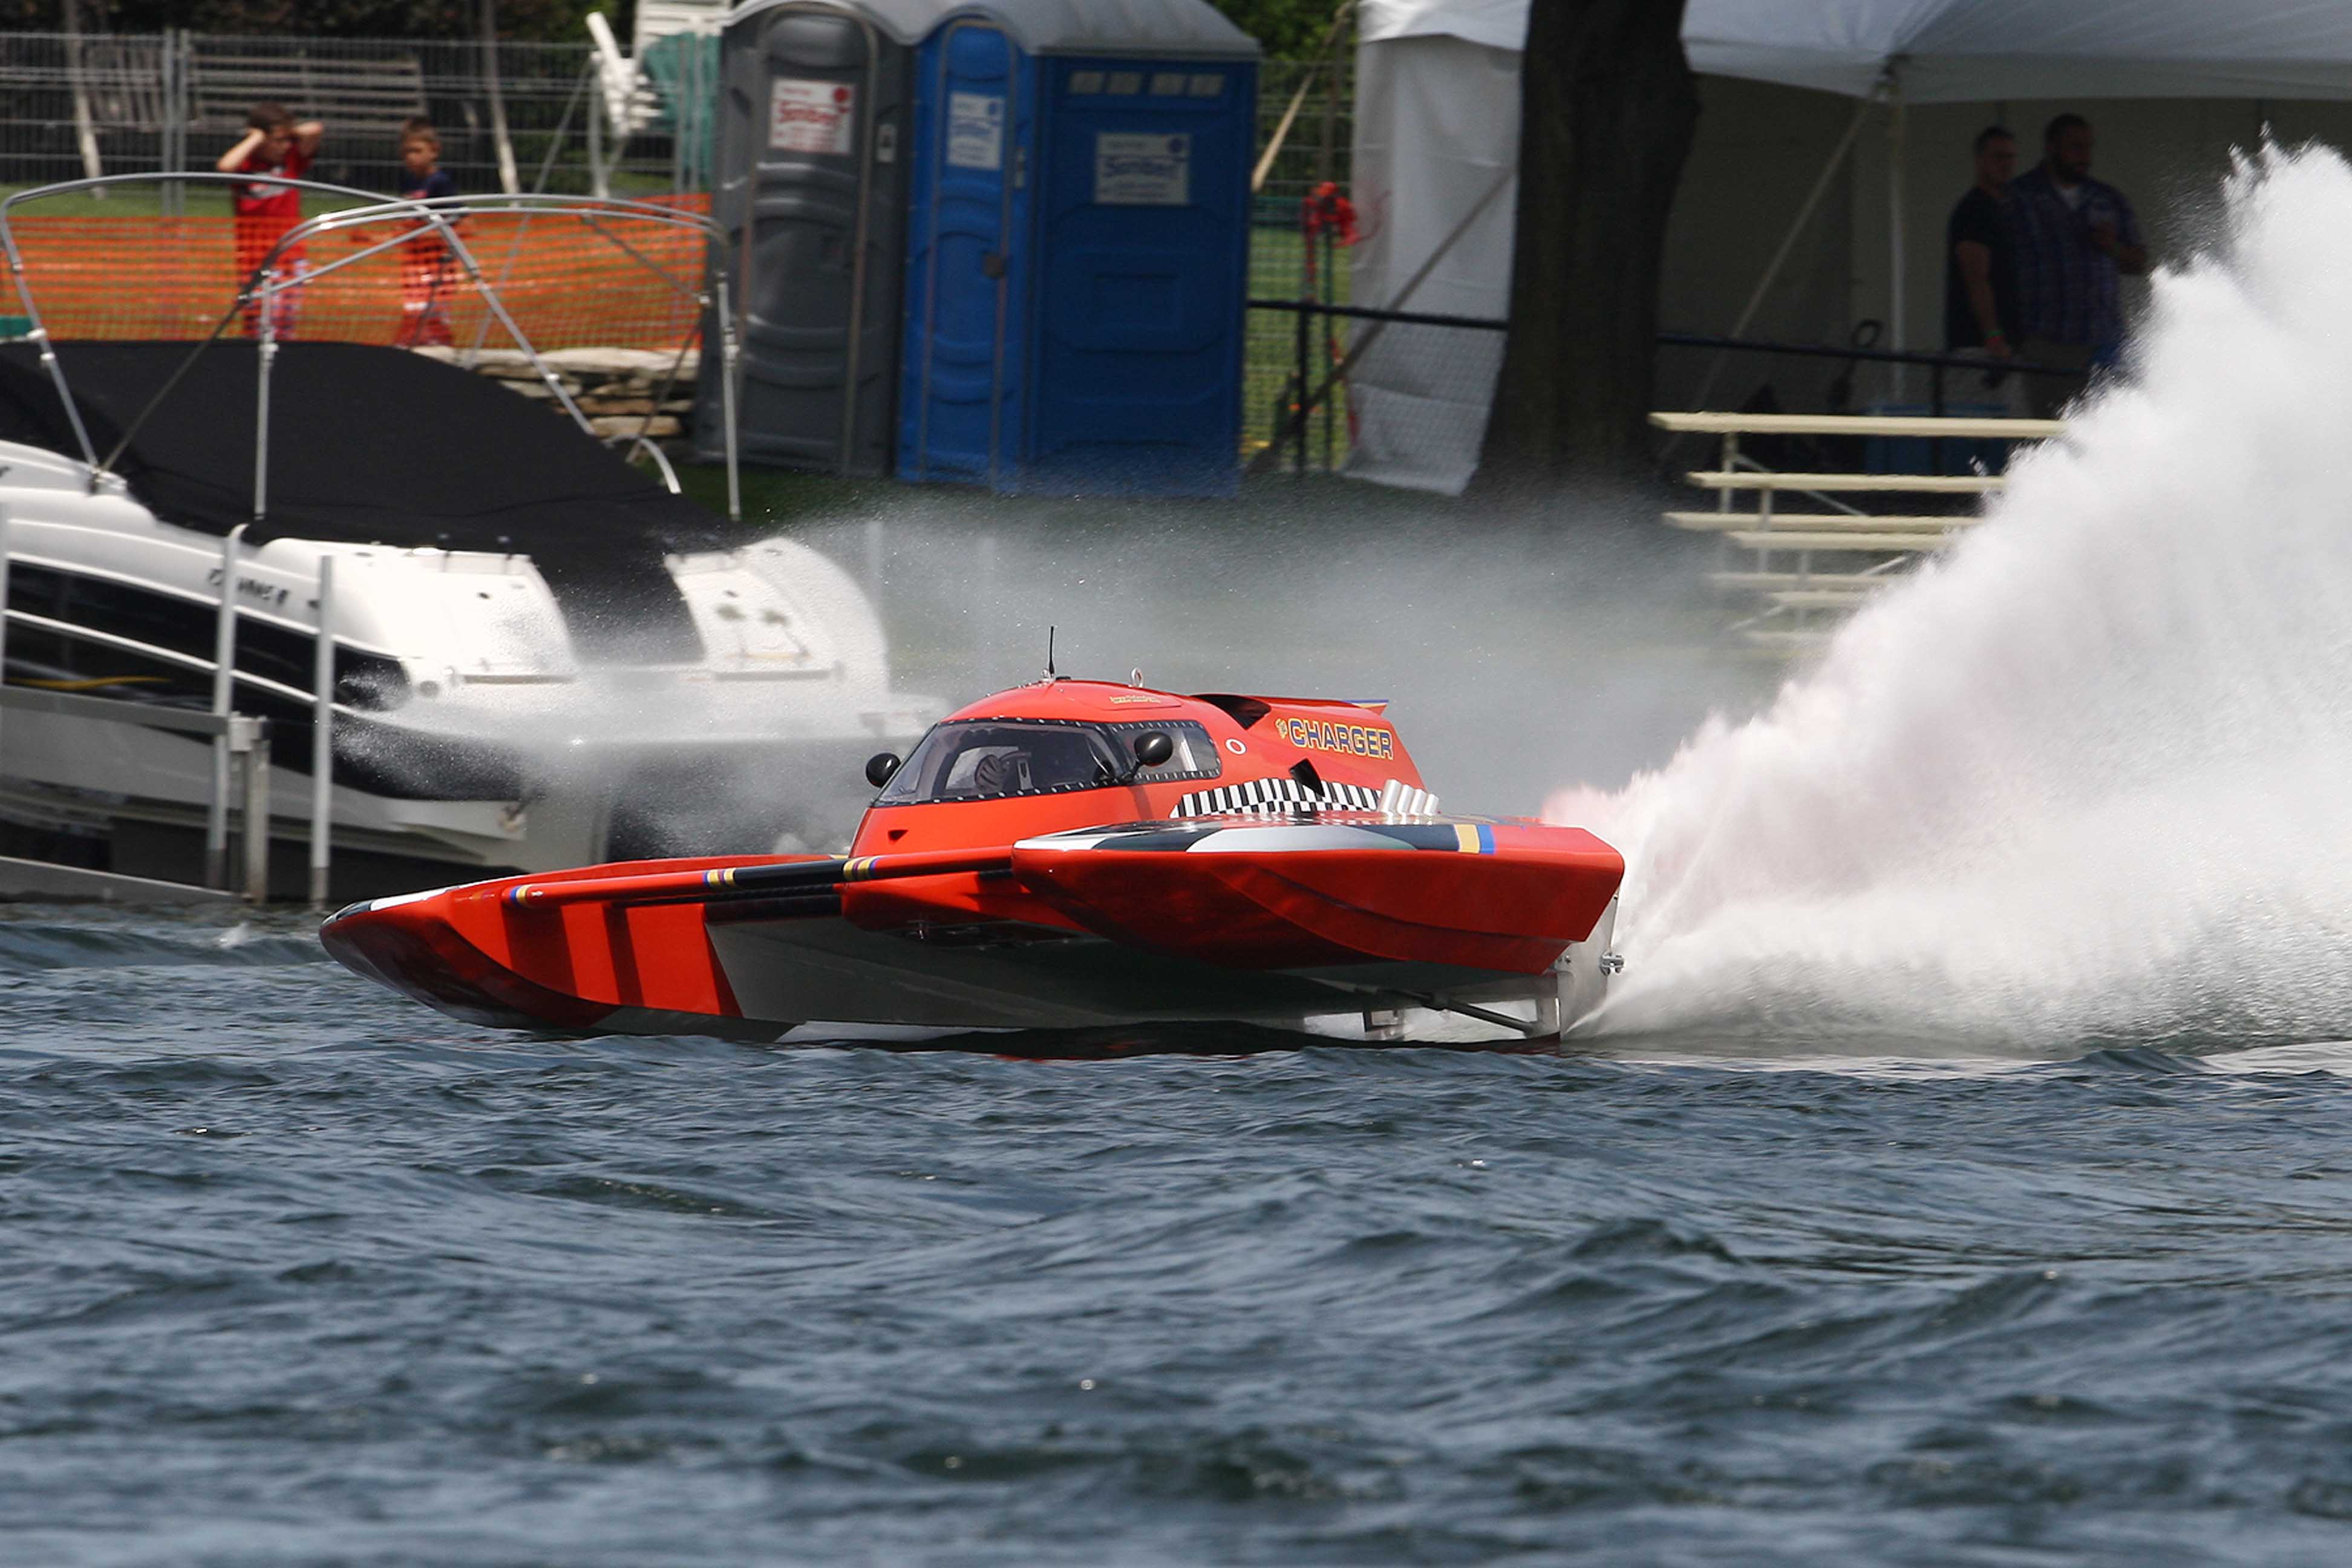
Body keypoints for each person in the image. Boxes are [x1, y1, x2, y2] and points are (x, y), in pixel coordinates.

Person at [2007, 113, 2146, 418]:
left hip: (2103, 339)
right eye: (2075, 147)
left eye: (2088, 147)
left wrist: (2113, 247)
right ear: (2051, 148)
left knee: (2104, 429)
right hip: (2047, 342)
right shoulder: (2020, 197)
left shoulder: (2107, 199)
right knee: (2048, 432)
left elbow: (2139, 261)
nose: (2084, 156)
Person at [217, 102, 324, 339]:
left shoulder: (291, 160)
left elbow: (316, 129)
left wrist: (286, 133)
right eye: (277, 141)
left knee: (285, 322)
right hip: (255, 258)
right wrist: (256, 138)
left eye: (287, 140)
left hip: (291, 256)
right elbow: (225, 166)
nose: (284, 146)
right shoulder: (245, 167)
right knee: (259, 322)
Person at [1943, 125, 2023, 410]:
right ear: (1980, 160)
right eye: (1998, 157)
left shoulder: (2010, 209)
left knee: (2005, 437)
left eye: (2011, 158)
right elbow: (1976, 278)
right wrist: (1993, 336)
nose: (2006, 164)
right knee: (1972, 433)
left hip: (2004, 350)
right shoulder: (1973, 211)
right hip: (1978, 350)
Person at [394, 119, 459, 347]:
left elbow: (460, 228)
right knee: (413, 318)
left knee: (432, 321)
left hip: (435, 266)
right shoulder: (409, 182)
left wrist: (416, 236)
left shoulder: (441, 184)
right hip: (413, 265)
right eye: (406, 152)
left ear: (434, 151)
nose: (410, 157)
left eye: (417, 151)